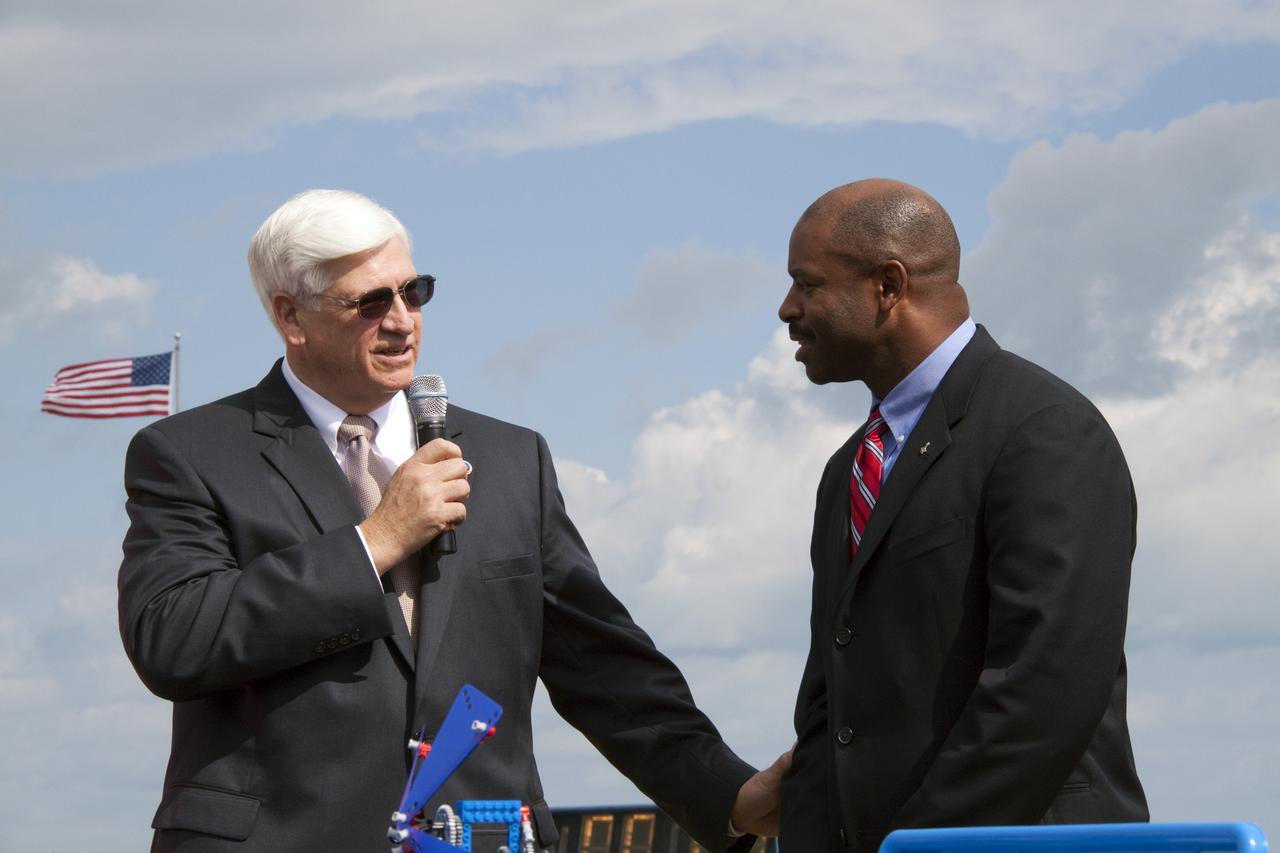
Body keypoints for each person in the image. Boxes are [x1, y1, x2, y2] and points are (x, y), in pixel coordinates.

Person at [118, 189, 784, 852]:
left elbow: (604, 665)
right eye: (370, 302)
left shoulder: (510, 457)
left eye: (415, 292)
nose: (403, 321)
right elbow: (175, 637)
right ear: (291, 316)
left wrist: (727, 793)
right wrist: (374, 541)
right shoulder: (190, 455)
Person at [776, 179, 1148, 852]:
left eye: (808, 284)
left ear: (888, 286)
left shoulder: (1045, 431)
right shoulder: (848, 470)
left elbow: (1045, 687)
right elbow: (828, 709)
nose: (787, 309)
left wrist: (919, 848)